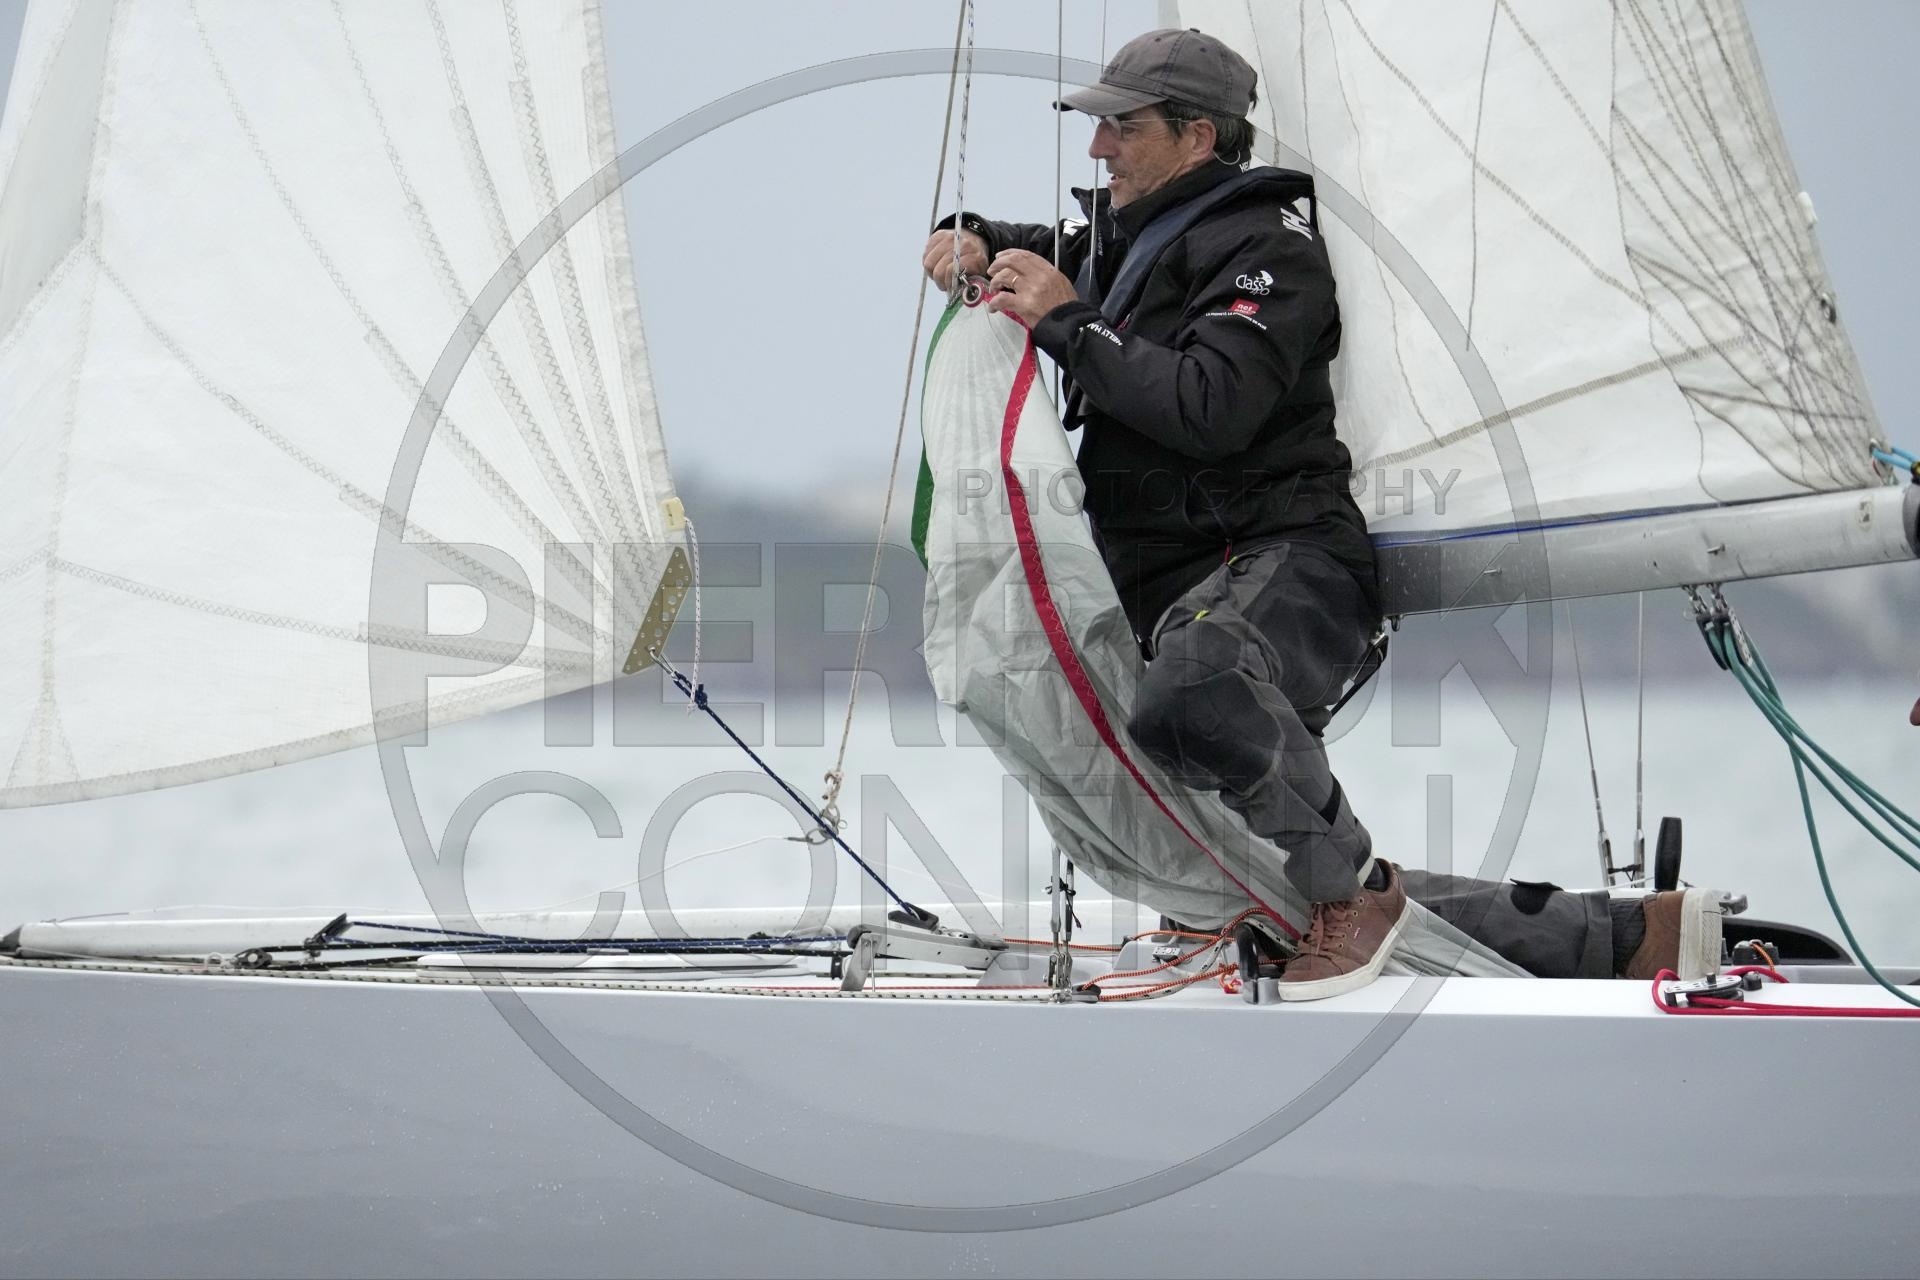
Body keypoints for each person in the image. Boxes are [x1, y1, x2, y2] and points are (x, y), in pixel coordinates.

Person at [921, 28, 1733, 997]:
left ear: (1198, 136)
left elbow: (1212, 406)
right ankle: (1625, 938)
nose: (1098, 148)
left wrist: (1068, 322)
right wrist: (974, 233)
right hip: (1187, 591)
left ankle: (1356, 894)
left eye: (1121, 127)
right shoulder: (1125, 241)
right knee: (1234, 842)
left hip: (1288, 563)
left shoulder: (1267, 249)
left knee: (1197, 690)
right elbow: (1040, 253)